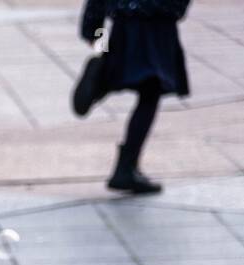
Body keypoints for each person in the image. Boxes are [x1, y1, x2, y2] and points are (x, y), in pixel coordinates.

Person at [80, 0, 191, 194]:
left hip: (126, 20)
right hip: (157, 23)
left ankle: (102, 81)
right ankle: (126, 167)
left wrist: (93, 29)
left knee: (137, 79)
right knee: (150, 91)